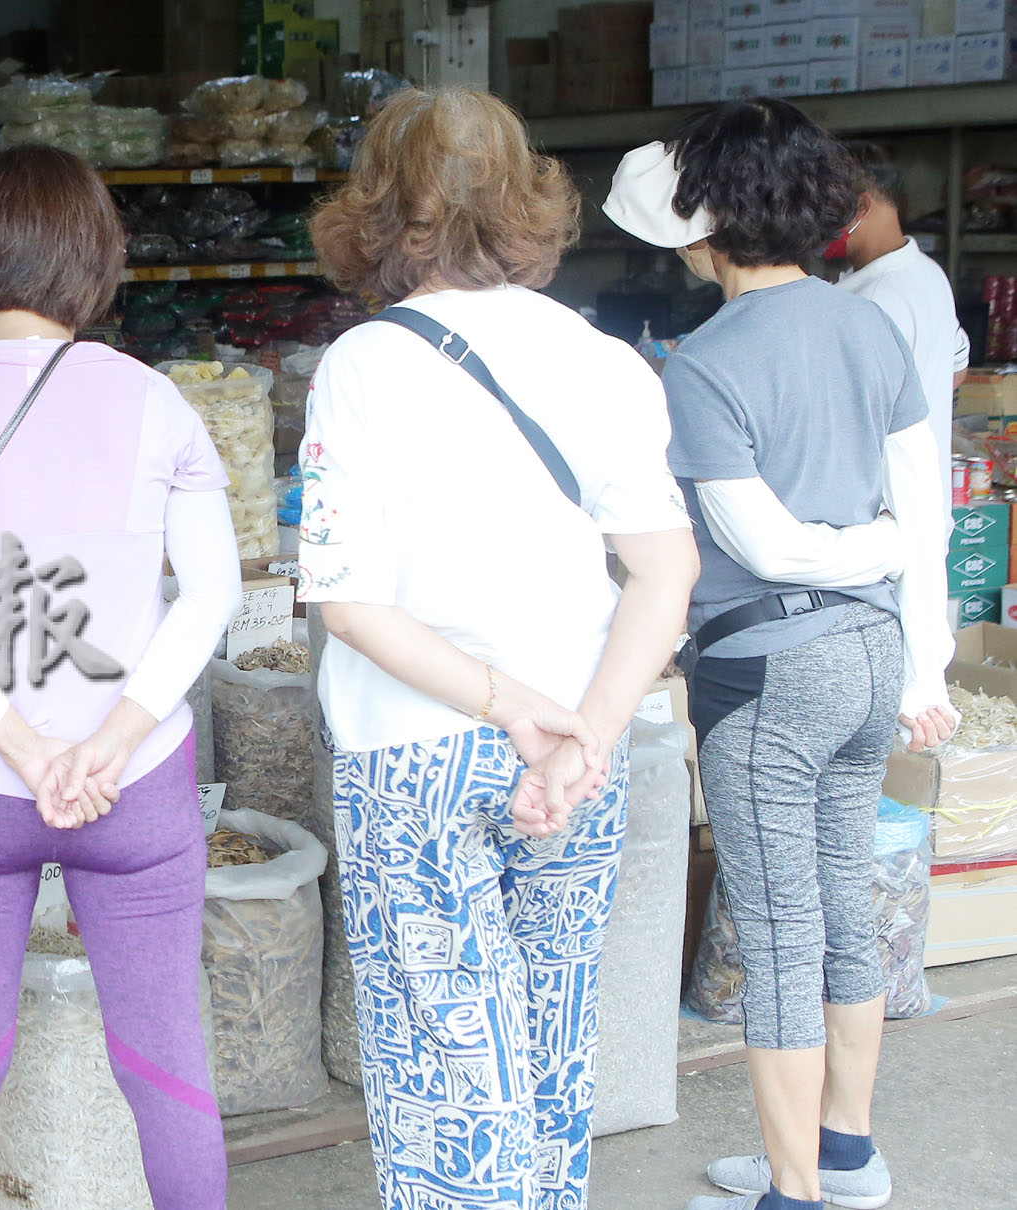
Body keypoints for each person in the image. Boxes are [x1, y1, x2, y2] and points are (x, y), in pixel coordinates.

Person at [300, 87, 699, 1210]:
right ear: (531, 200)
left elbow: (348, 605)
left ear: (377, 208)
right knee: (552, 1042)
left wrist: (502, 702)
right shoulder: (608, 362)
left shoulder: (364, 367)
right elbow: (666, 576)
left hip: (417, 750)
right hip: (580, 752)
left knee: (446, 1070)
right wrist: (580, 734)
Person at [0, 143, 240, 1210]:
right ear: (95, 255)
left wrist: (20, 746)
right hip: (137, 785)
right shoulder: (159, 403)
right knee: (165, 1070)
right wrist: (108, 743)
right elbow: (212, 595)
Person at [604, 98, 958, 1210]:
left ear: (703, 230)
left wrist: (863, 548)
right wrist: (924, 667)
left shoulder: (702, 365)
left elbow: (760, 543)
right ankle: (846, 1151)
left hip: (767, 671)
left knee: (779, 931)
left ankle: (794, 1192)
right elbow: (925, 519)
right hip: (868, 655)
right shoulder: (873, 327)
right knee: (845, 908)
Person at [832, 140, 971, 497]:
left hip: (881, 516)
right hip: (924, 508)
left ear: (861, 205)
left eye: (825, 208)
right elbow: (958, 369)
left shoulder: (873, 300)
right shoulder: (928, 274)